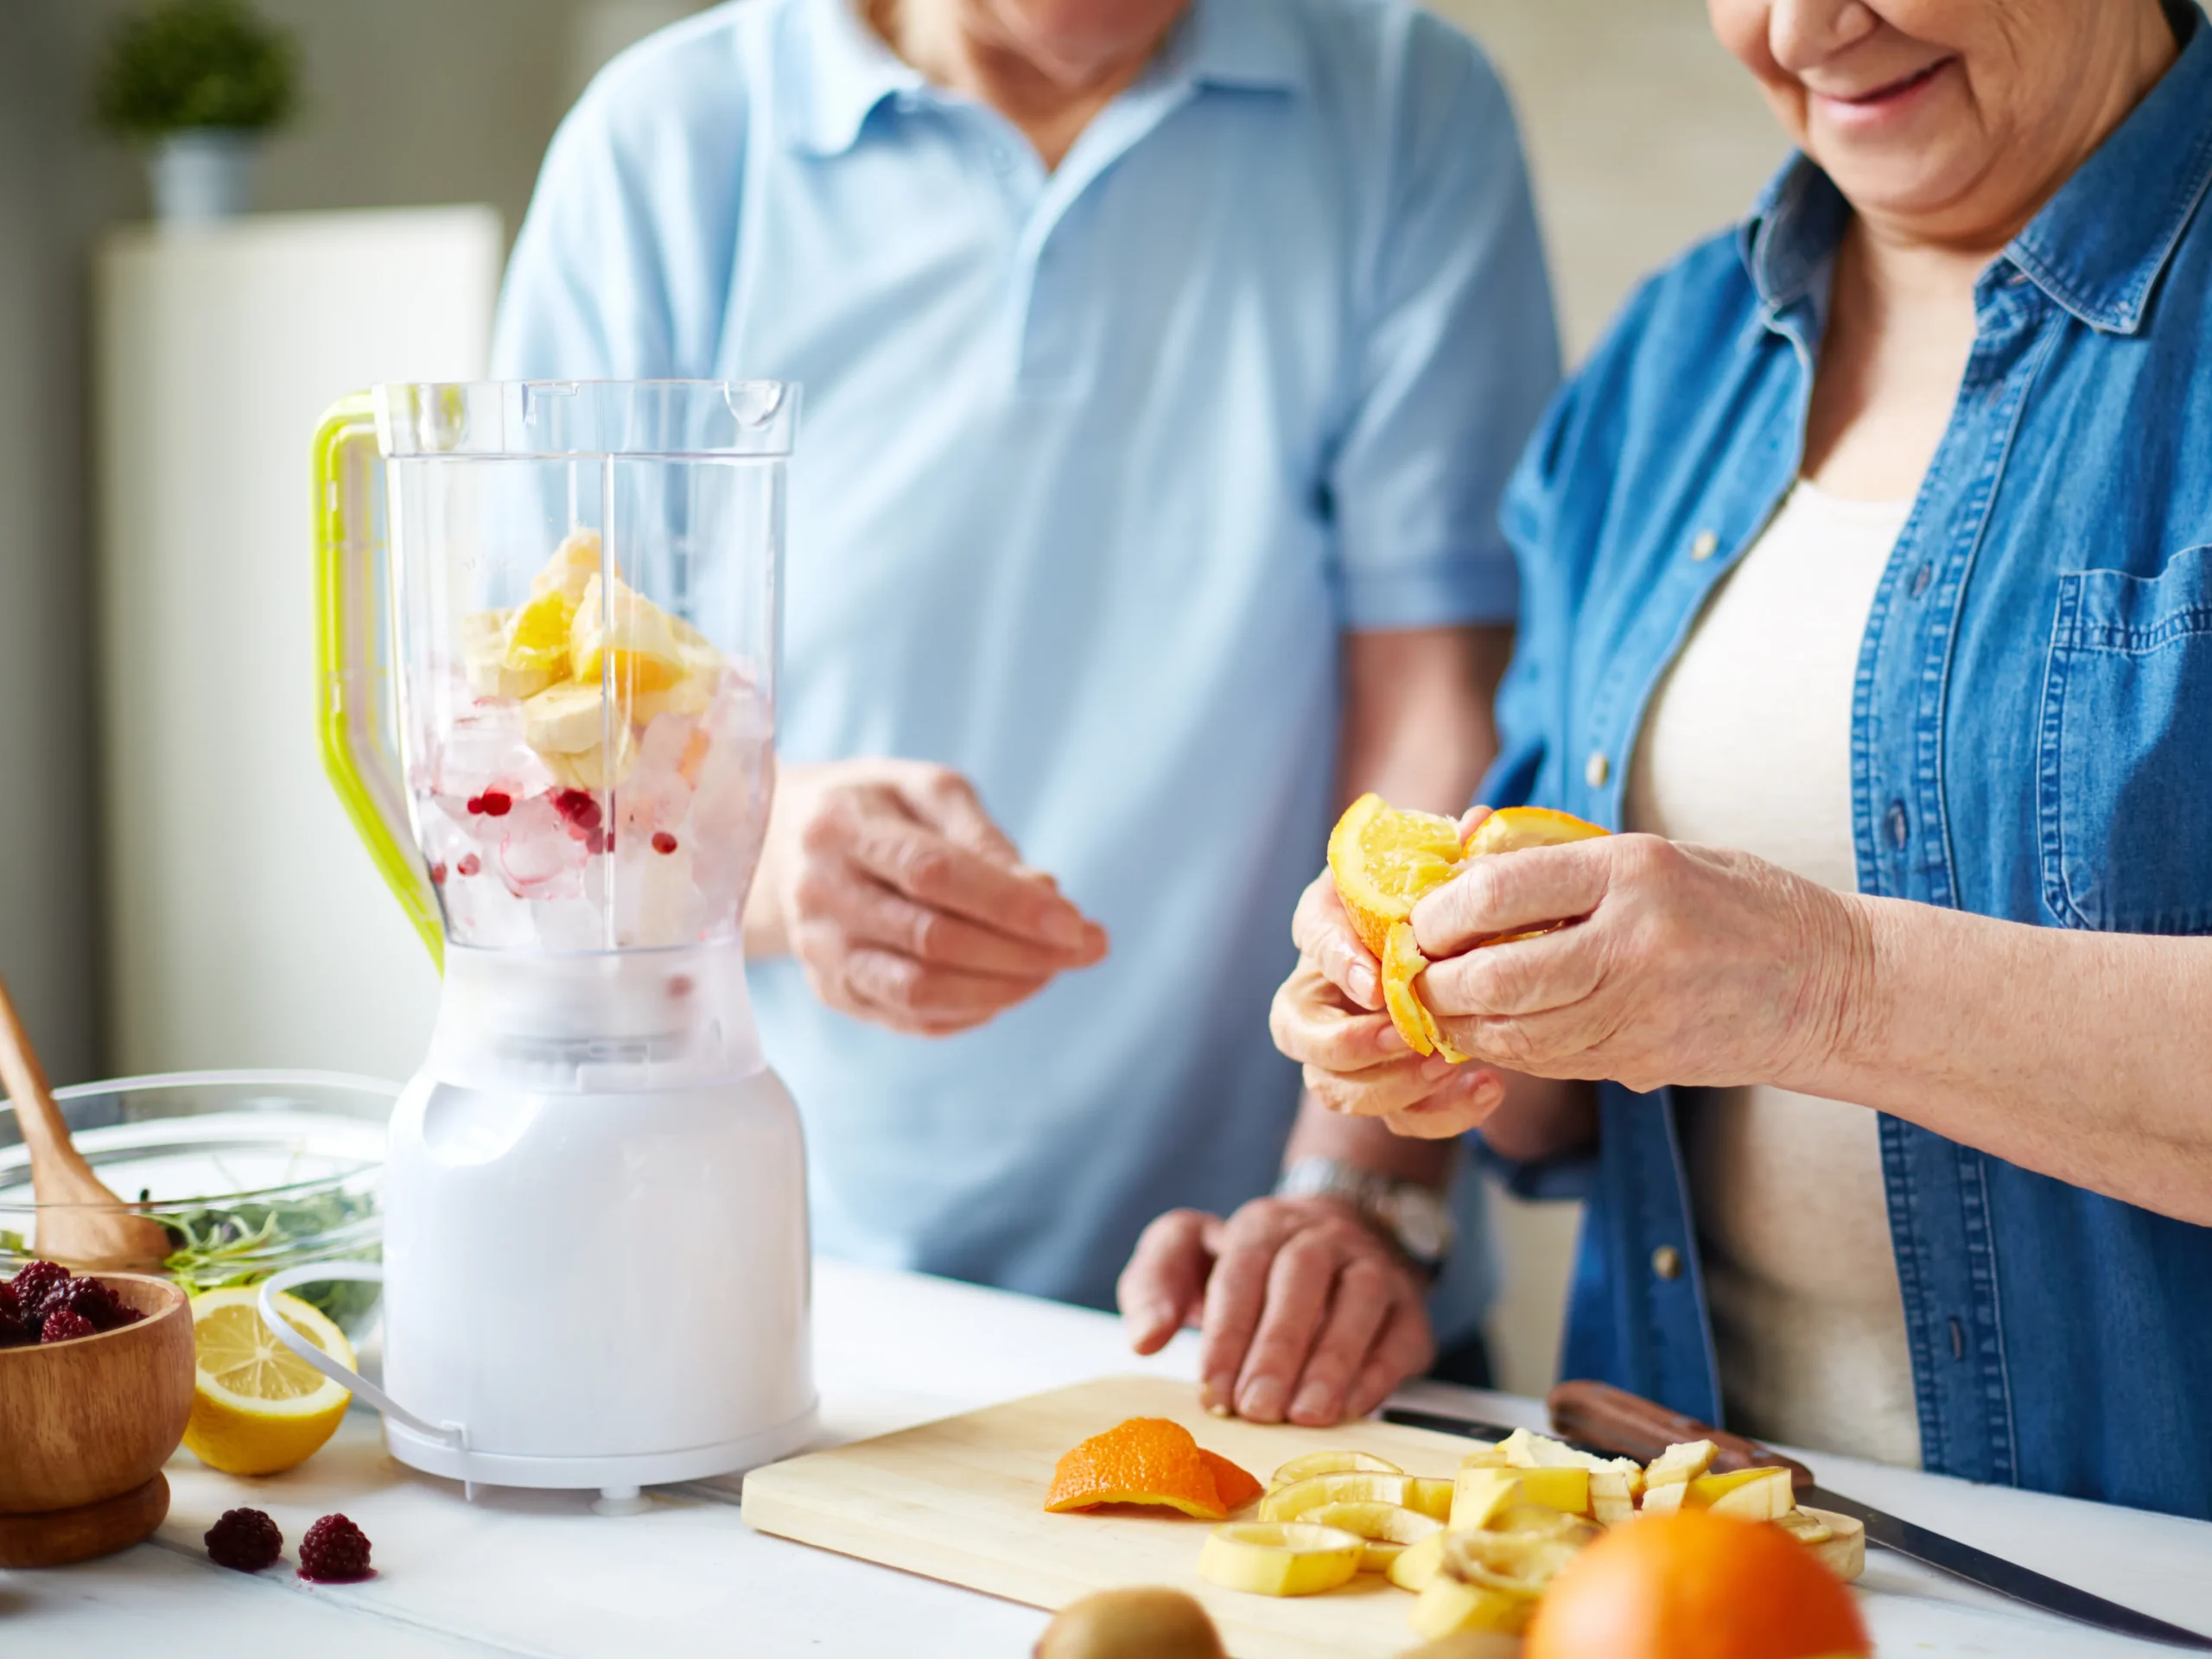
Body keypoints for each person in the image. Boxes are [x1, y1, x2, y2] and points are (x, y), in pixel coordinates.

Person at [493, 0, 1560, 1412]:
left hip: (1278, 1309)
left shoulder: (1407, 101)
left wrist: (1357, 1193)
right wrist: (764, 854)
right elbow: (529, 777)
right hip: (789, 1305)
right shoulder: (664, 150)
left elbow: (1437, 700)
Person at [1265, 0, 2212, 1518]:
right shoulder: (1667, 365)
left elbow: (1770, 980)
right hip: (1687, 1552)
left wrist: (1823, 985)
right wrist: (1450, 1021)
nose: (1805, 27)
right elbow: (1584, 1088)